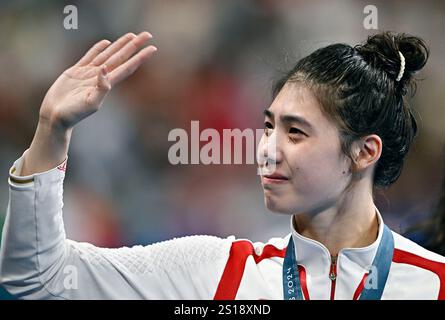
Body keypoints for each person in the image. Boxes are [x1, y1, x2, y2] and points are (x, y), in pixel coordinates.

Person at [0, 31, 444, 300]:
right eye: (268, 127)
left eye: (295, 132)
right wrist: (51, 132)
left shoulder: (434, 283)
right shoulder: (215, 272)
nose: (267, 149)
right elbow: (40, 280)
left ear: (365, 151)